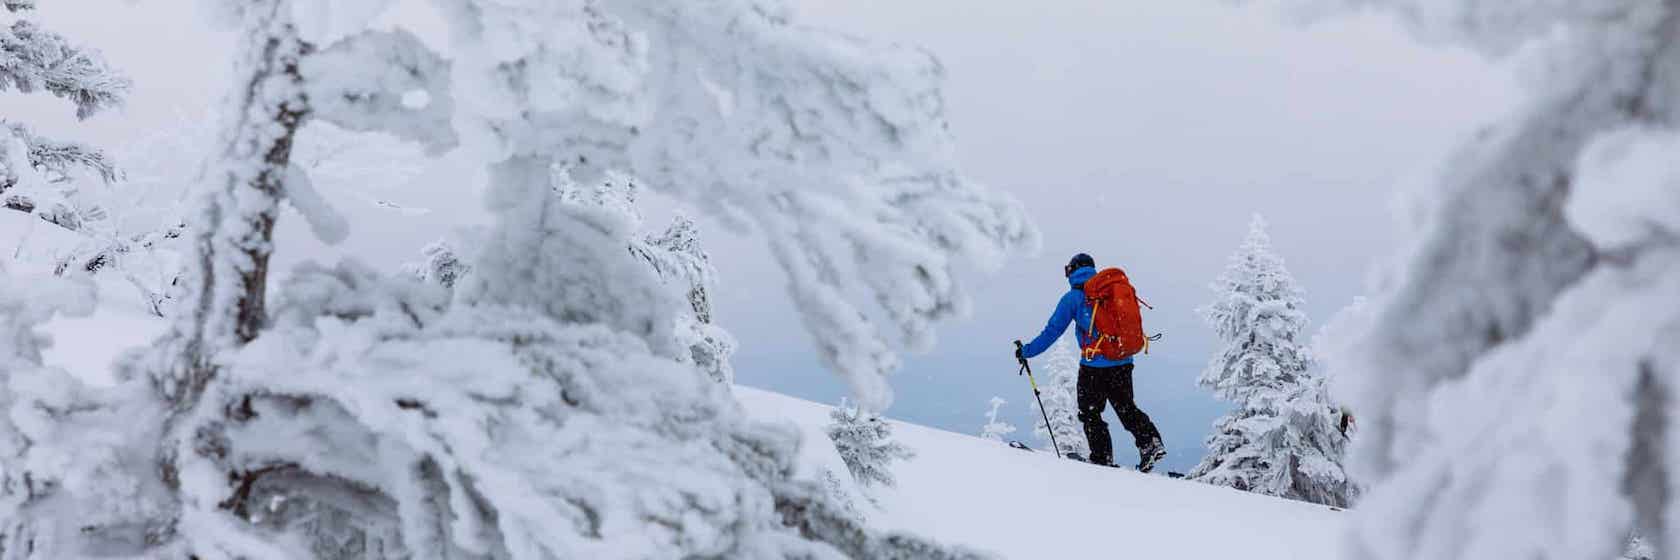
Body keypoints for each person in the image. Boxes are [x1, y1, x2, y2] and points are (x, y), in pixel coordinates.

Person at [1016, 253, 1167, 472]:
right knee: (1126, 407)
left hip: (1094, 366)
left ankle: (1101, 459)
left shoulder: (1074, 298)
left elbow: (1052, 331)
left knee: (1090, 412)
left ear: (1072, 271)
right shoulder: (1110, 290)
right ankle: (1150, 442)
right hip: (1123, 360)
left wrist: (1027, 351)